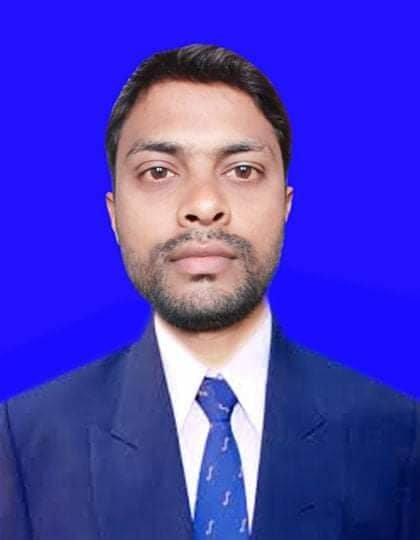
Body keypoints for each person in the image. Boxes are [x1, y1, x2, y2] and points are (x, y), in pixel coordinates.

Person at [0, 44, 419, 540]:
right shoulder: (24, 442)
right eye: (159, 171)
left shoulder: (398, 437)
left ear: (285, 205)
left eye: (242, 170)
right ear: (114, 214)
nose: (203, 204)